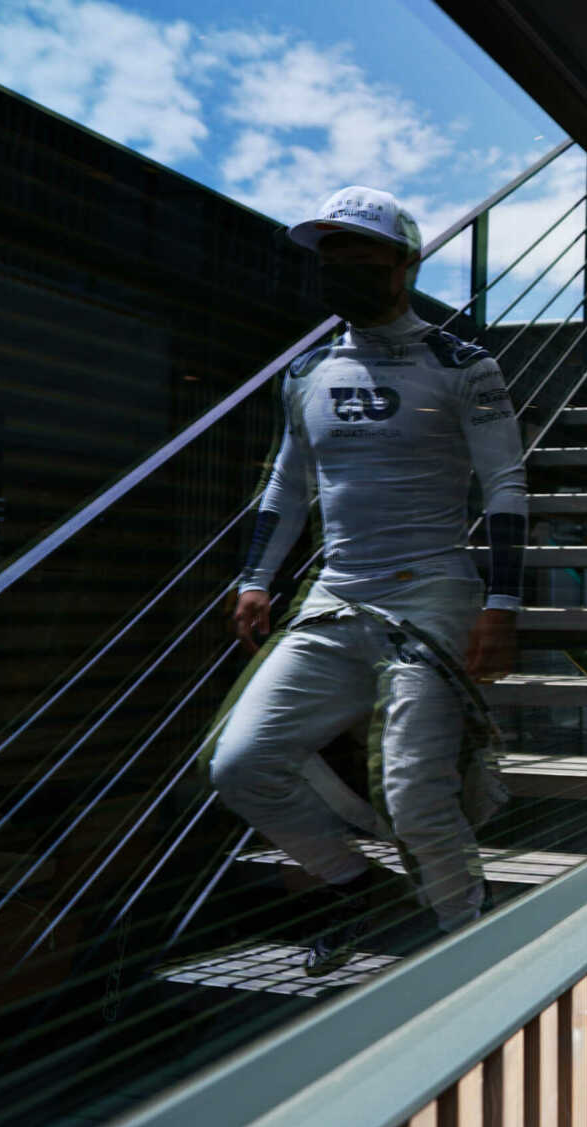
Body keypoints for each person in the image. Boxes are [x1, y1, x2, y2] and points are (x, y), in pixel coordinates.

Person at [208, 186, 529, 976]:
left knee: (415, 789)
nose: (342, 265)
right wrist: (255, 578)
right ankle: (357, 889)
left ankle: (471, 942)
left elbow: (506, 486)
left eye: (360, 251)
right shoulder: (308, 371)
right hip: (334, 598)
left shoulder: (463, 366)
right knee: (240, 764)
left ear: (405, 264)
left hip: (431, 595)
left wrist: (502, 603)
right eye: (331, 253)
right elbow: (287, 487)